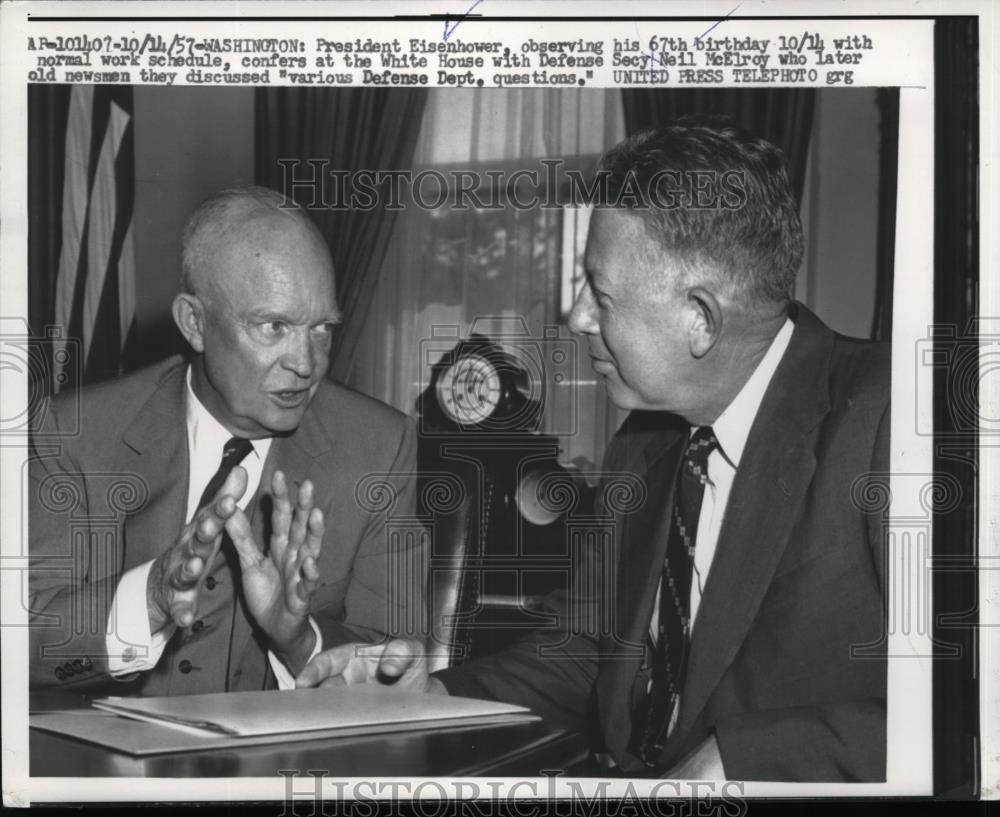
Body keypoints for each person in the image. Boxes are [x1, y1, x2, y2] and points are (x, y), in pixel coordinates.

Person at [293, 118, 890, 782]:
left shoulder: (892, 418)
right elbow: (580, 654)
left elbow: (970, 702)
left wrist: (750, 756)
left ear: (701, 318)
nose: (576, 316)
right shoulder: (645, 442)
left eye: (601, 296)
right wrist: (429, 698)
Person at [29, 187, 423, 697]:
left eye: (322, 328)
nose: (306, 364)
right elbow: (22, 638)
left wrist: (298, 639)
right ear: (195, 323)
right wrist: (150, 597)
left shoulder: (379, 447)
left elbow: (394, 665)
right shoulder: (70, 433)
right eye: (273, 326)